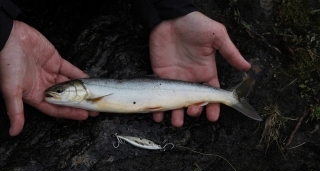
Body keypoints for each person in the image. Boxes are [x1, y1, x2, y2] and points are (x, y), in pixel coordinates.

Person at [0, 0, 251, 136]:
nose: (57, 94)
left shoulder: (91, 95)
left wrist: (170, 11)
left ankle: (230, 97)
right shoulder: (88, 95)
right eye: (61, 92)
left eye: (62, 91)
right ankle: (230, 97)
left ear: (79, 91)